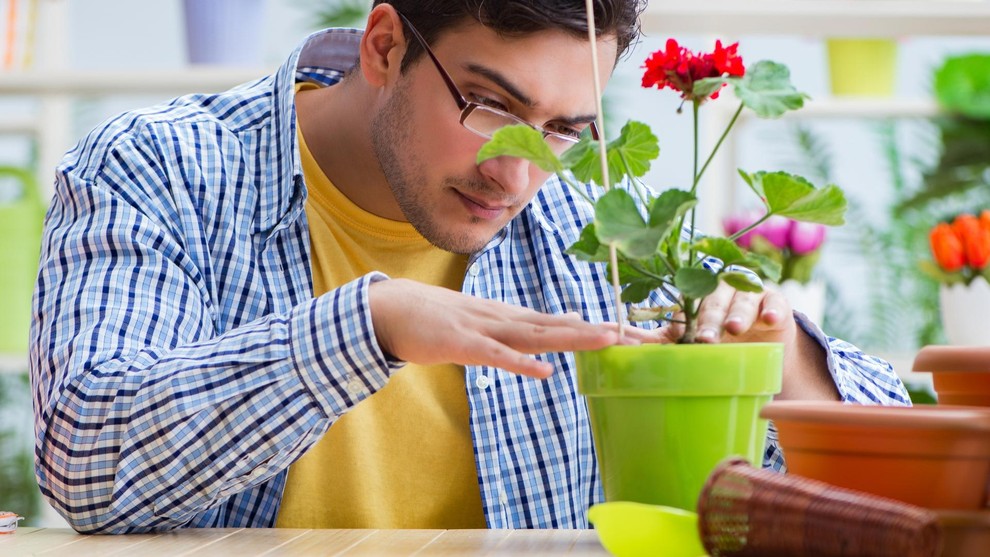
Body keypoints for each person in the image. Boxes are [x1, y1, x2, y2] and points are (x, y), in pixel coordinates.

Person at [30, 0, 909, 534]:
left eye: (565, 128)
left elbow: (905, 490)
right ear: (383, 47)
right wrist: (365, 328)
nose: (521, 174)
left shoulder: (593, 227)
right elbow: (86, 460)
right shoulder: (160, 171)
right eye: (492, 107)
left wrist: (786, 361)